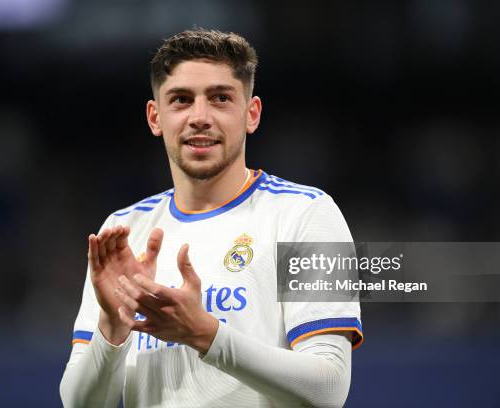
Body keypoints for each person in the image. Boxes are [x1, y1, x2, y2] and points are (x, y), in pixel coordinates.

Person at [60, 28, 363, 408]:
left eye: (220, 98)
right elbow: (81, 404)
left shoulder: (307, 214)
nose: (199, 117)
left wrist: (205, 334)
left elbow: (329, 388)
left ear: (251, 114)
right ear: (155, 118)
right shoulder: (123, 230)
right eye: (181, 100)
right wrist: (113, 325)